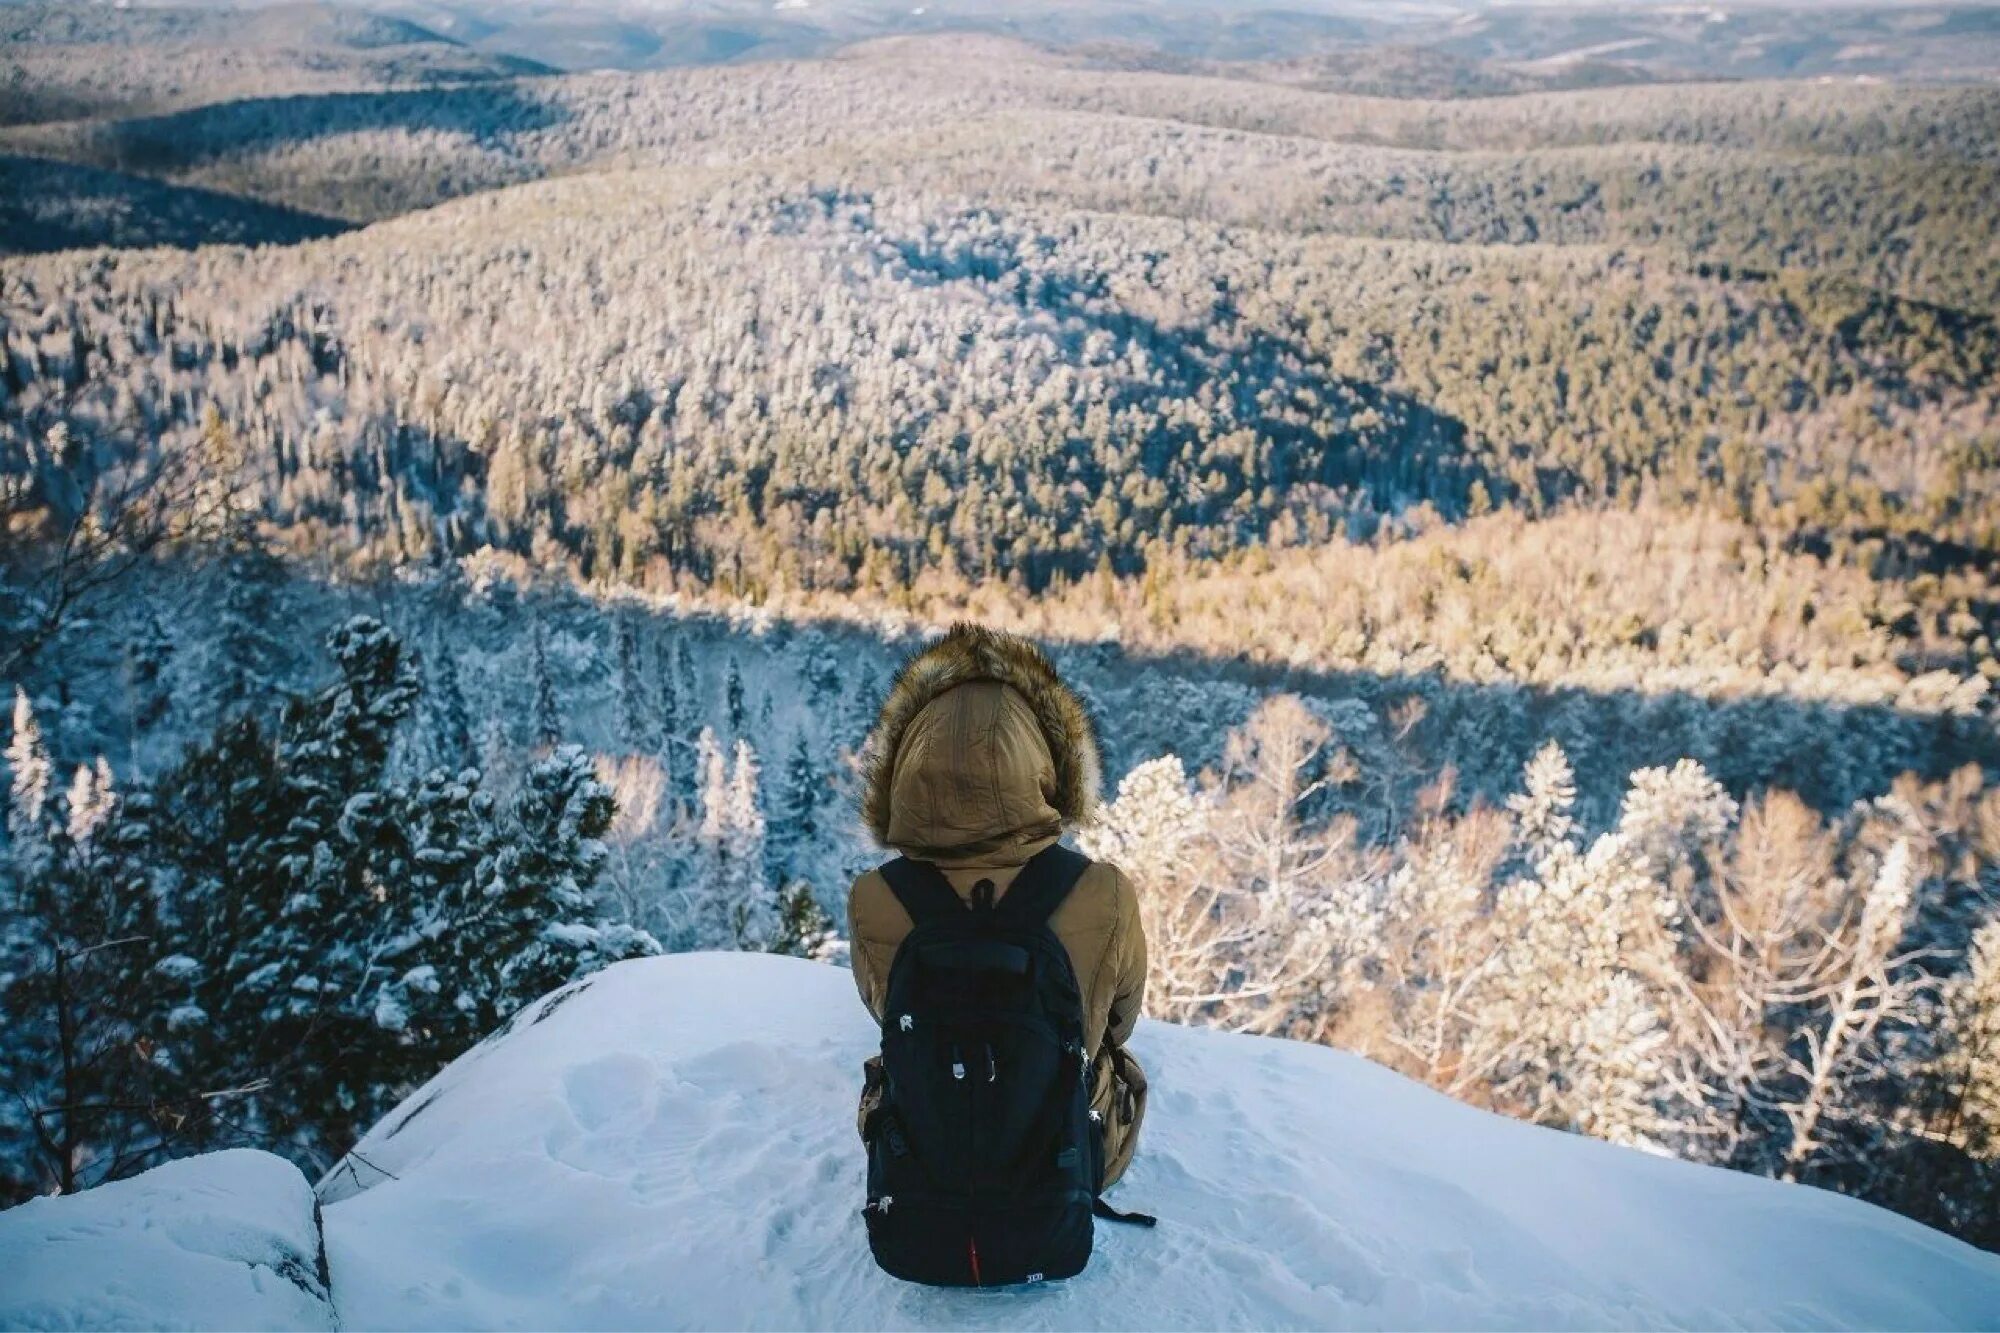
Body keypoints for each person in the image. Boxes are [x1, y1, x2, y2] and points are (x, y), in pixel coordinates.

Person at [847, 623, 1149, 1191]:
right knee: (1118, 1066)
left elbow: (885, 1012)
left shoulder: (874, 897)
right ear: (1048, 764)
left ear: (906, 771)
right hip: (1060, 1157)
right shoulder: (1103, 891)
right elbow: (1118, 1020)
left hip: (928, 1157)